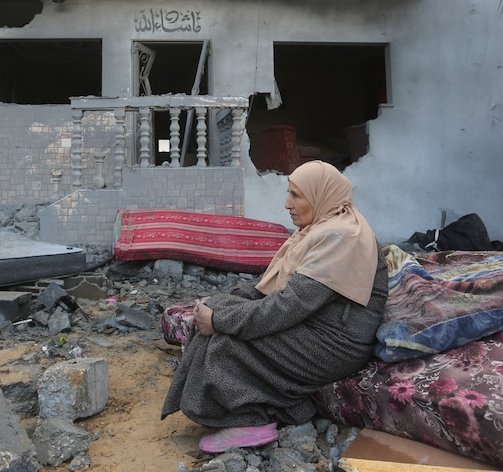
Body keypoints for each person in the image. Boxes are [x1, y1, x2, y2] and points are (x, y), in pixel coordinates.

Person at [161, 160, 389, 453]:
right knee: (220, 308)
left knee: (224, 342)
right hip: (315, 325)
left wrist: (219, 321)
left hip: (335, 344)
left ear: (321, 195)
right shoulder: (321, 227)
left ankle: (252, 422)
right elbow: (270, 286)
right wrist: (220, 305)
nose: (287, 204)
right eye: (289, 193)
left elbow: (289, 305)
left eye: (296, 195)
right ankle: (270, 408)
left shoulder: (342, 237)